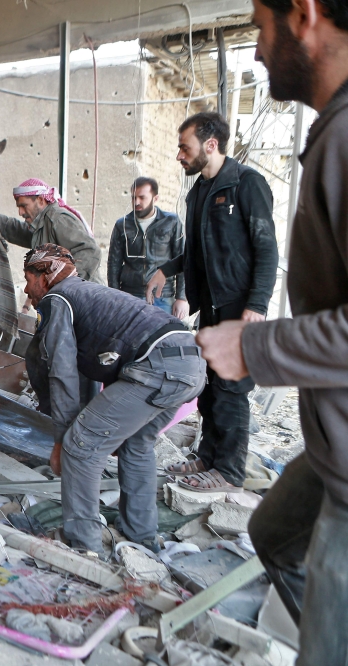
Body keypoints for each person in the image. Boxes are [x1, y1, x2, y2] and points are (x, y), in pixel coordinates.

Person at [195, 0, 348, 660]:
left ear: (305, 14)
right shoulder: (331, 134)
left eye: (261, 26)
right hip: (331, 445)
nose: (257, 50)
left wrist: (254, 341)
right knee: (275, 536)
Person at [25, 244, 205, 555]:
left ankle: (83, 546)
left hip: (157, 366)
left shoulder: (57, 299)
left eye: (27, 279)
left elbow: (62, 373)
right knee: (136, 444)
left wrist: (62, 441)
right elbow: (92, 374)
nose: (26, 290)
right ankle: (142, 536)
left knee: (80, 447)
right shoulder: (88, 294)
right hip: (190, 364)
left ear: (45, 276)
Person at [146, 112, 279, 493]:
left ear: (210, 145)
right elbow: (197, 250)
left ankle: (230, 472)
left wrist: (257, 304)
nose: (179, 156)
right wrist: (167, 269)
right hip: (214, 308)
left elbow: (266, 248)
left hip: (241, 306)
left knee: (232, 387)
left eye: (184, 148)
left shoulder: (246, 185)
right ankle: (208, 456)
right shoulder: (199, 192)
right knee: (209, 385)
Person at [0, 178, 102, 283]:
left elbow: (89, 251)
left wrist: (67, 283)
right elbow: (25, 234)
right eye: (18, 207)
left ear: (41, 200)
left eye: (24, 206)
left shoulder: (58, 219)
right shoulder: (43, 223)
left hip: (85, 296)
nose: (20, 212)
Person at [107, 177, 189, 318]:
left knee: (162, 338)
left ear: (155, 198)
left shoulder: (172, 222)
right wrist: (115, 295)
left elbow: (183, 259)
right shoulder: (123, 225)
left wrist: (182, 297)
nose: (136, 202)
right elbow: (113, 263)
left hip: (162, 296)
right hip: (129, 295)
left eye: (142, 197)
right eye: (133, 198)